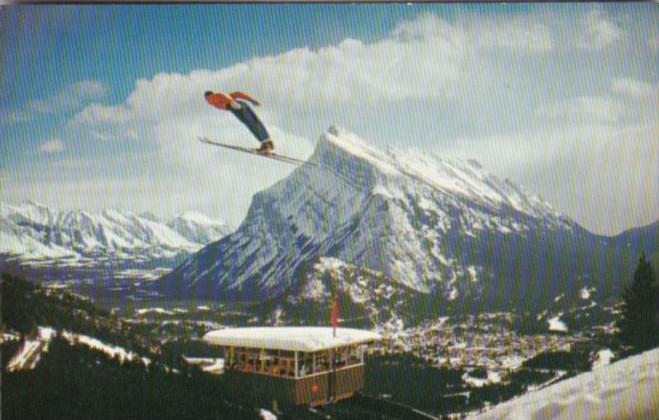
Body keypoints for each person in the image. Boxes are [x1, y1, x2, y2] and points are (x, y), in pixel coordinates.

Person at [204, 90, 274, 152]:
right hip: (242, 104)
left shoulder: (211, 98)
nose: (208, 101)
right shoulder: (220, 96)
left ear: (207, 97)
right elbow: (238, 93)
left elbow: (221, 95)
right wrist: (251, 100)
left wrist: (232, 103)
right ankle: (268, 142)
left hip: (234, 106)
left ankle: (265, 145)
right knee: (255, 121)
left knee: (250, 124)